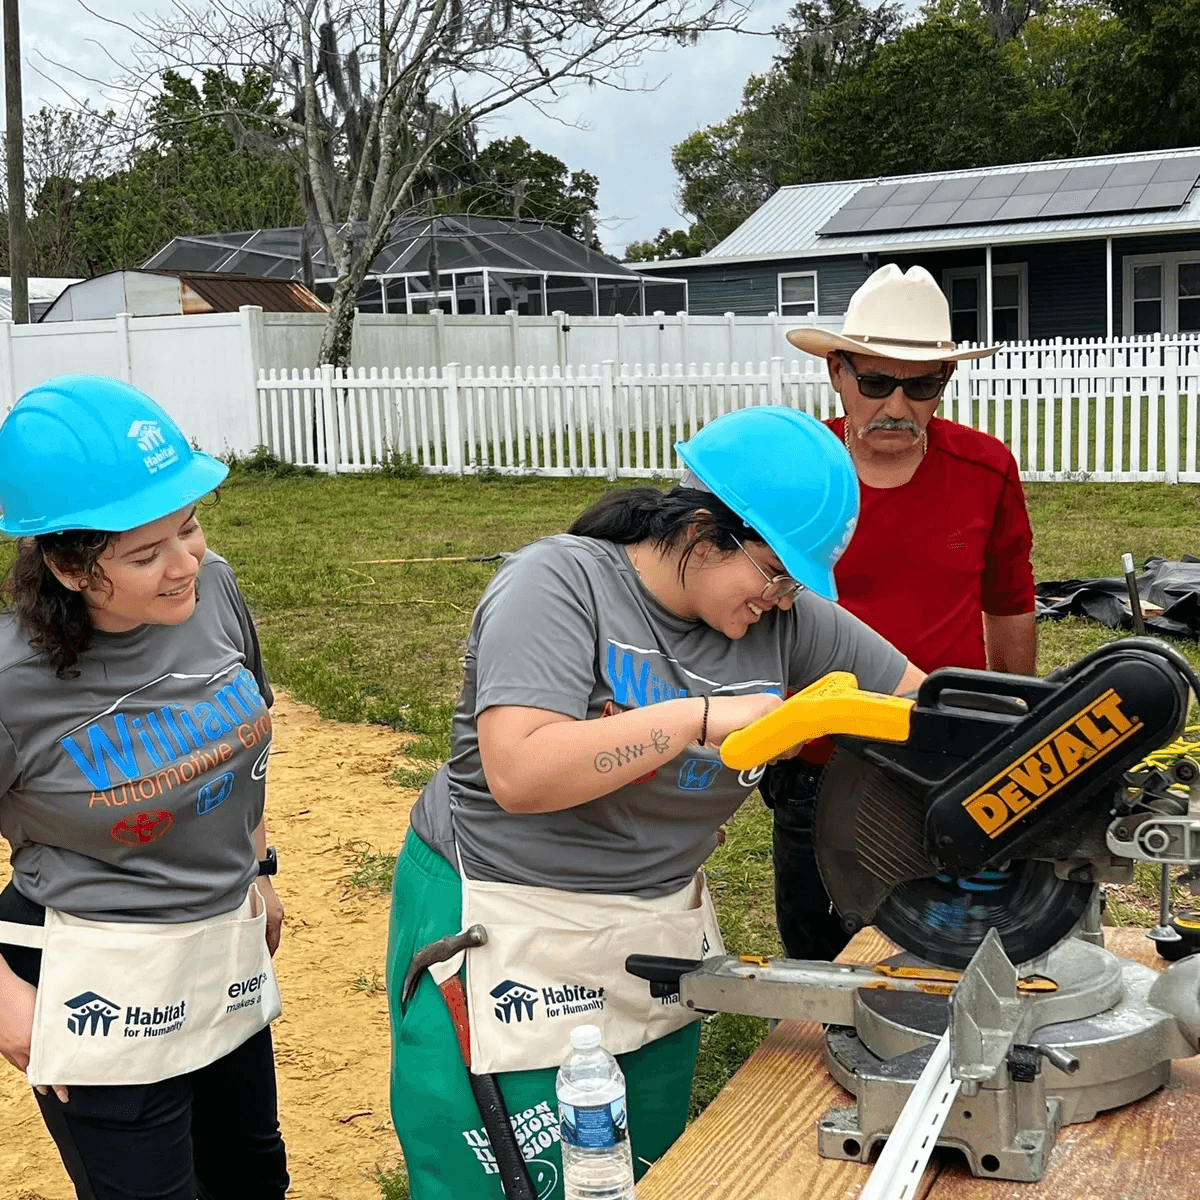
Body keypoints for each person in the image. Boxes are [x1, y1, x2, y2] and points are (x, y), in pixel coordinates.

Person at [386, 404, 925, 1200]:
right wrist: (696, 721)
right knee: (516, 1182)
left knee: (645, 1173)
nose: (781, 599)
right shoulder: (559, 582)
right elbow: (520, 772)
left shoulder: (785, 623)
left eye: (795, 583)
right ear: (705, 536)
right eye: (774, 573)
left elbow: (924, 706)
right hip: (506, 925)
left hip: (654, 927)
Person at [0, 376, 289, 1200]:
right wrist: (8, 1011)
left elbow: (245, 746)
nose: (185, 562)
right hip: (99, 983)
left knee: (253, 1180)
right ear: (64, 562)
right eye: (144, 552)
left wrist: (259, 872)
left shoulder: (214, 591)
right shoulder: (13, 682)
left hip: (223, 955)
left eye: (190, 526)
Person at [763, 263, 1037, 962]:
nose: (897, 404)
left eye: (921, 386)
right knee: (821, 936)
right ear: (837, 374)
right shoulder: (797, 473)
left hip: (943, 743)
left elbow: (1008, 604)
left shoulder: (985, 468)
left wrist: (1013, 723)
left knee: (953, 930)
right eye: (876, 382)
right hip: (821, 750)